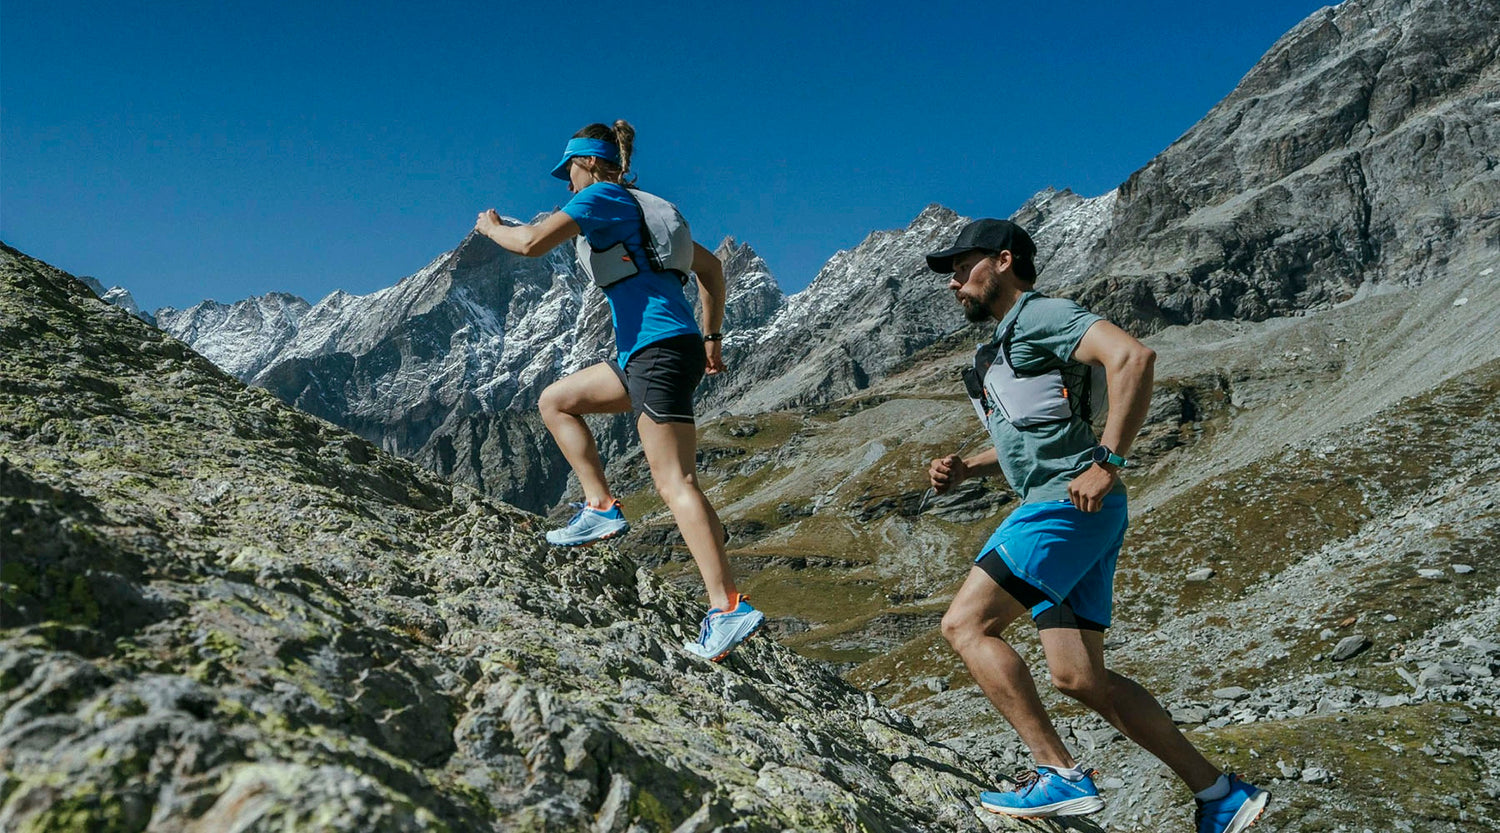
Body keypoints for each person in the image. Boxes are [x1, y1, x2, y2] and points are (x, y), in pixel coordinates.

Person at [924, 219, 1269, 833]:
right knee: (1078, 677)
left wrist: (1108, 461)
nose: (953, 282)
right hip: (1080, 509)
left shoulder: (1037, 315)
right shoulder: (1003, 343)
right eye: (949, 273)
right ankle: (1220, 793)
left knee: (965, 624)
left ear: (1003, 261)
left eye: (962, 267)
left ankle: (1058, 774)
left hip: (1064, 504)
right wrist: (968, 468)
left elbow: (1132, 356)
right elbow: (1036, 432)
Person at [474, 120, 764, 662]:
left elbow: (532, 243)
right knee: (556, 400)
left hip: (655, 351)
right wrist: (711, 337)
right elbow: (713, 269)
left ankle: (728, 608)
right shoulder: (645, 212)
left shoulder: (603, 197)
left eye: (569, 172)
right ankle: (601, 506)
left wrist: (490, 228)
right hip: (656, 351)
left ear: (589, 166)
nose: (567, 185)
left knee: (676, 482)